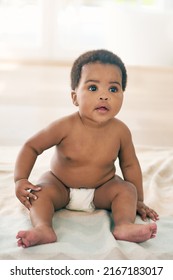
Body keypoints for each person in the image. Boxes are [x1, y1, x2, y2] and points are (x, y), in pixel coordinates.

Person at [14, 49, 159, 248]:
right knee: (39, 193)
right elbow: (31, 147)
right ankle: (43, 227)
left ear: (123, 96)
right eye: (93, 88)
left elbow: (130, 165)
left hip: (102, 190)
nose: (104, 96)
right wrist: (20, 179)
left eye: (113, 89)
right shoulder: (64, 126)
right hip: (61, 186)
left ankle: (124, 225)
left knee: (126, 190)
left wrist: (138, 200)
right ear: (75, 97)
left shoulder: (120, 131)